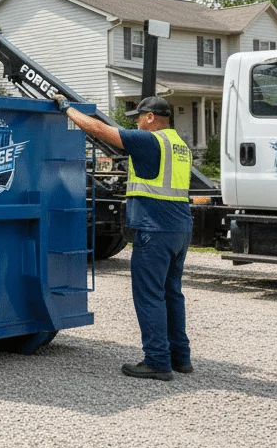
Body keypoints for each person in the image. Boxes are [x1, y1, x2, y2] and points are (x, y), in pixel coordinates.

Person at [55, 94, 194, 381]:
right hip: (179, 229)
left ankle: (157, 360)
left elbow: (99, 130)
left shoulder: (150, 140)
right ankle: (180, 357)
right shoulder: (179, 145)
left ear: (151, 118)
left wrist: (67, 109)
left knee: (150, 295)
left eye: (140, 119)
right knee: (171, 293)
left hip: (154, 230)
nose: (138, 125)